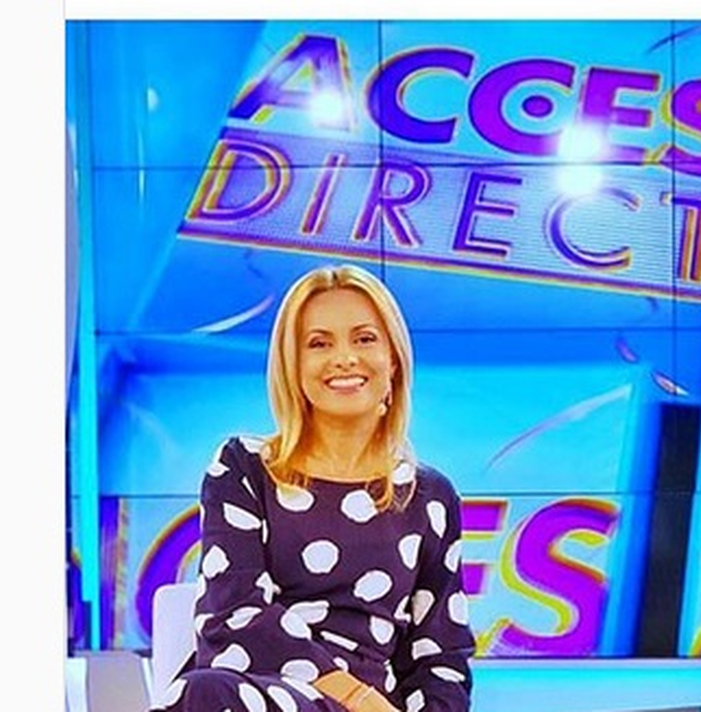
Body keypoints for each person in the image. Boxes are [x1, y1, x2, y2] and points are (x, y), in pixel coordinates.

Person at [154, 264, 474, 712]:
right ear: (293, 366)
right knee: (204, 692)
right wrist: (357, 698)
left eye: (364, 339)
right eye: (319, 343)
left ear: (393, 360)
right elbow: (234, 614)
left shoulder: (429, 496)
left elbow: (440, 657)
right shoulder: (243, 468)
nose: (344, 358)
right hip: (257, 692)